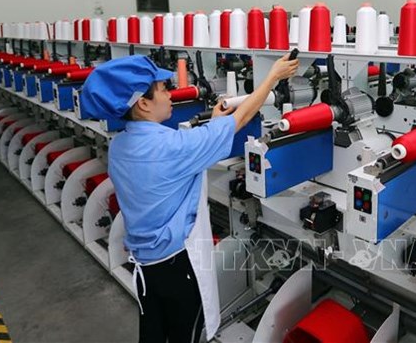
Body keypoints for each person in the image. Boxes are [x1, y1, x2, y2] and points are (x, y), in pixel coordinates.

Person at [79, 53, 299, 343]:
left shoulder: (120, 146)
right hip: (178, 271)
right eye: (163, 89)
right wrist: (273, 76)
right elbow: (242, 117)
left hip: (146, 269)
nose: (172, 94)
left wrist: (212, 126)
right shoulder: (175, 149)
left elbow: (172, 152)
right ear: (143, 103)